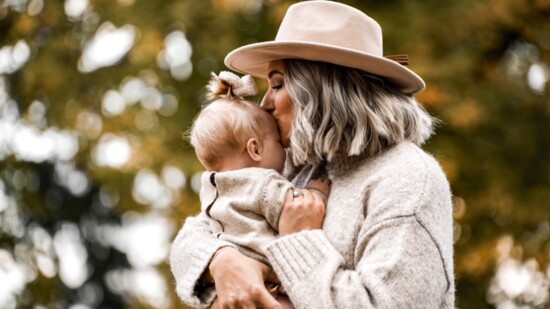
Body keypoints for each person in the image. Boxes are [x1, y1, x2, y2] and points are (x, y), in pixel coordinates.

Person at [170, 1, 455, 308]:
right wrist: (222, 261)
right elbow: (198, 230)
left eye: (278, 84)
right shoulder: (294, 164)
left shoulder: (407, 179)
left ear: (325, 87)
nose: (265, 103)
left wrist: (299, 239)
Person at [183, 71, 329, 307]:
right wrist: (319, 192)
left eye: (278, 85)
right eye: (275, 140)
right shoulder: (264, 184)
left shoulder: (213, 189)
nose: (284, 149)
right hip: (271, 285)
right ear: (256, 150)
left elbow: (197, 231)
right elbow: (298, 206)